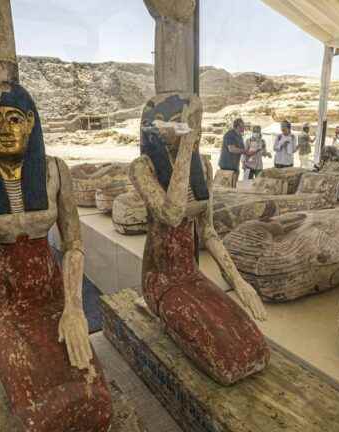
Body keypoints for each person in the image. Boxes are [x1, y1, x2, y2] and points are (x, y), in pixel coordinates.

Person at [0, 83, 112, 431]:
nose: (5, 129)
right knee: (40, 415)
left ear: (31, 123)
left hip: (54, 296)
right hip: (8, 306)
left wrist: (74, 308)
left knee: (94, 403)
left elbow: (74, 244)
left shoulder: (53, 169)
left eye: (15, 118)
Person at [128, 93, 269, 386]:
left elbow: (208, 232)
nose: (196, 128)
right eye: (187, 122)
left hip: (191, 275)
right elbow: (172, 212)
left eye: (197, 122)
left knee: (251, 344)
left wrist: (238, 282)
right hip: (161, 280)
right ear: (160, 127)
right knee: (226, 356)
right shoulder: (143, 167)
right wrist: (187, 146)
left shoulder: (202, 166)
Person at [218, 118, 246, 185]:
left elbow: (243, 149)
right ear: (237, 126)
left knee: (233, 186)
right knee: (226, 186)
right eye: (242, 126)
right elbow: (231, 149)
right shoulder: (229, 135)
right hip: (227, 166)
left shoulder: (240, 136)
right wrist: (245, 151)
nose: (244, 128)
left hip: (235, 165)